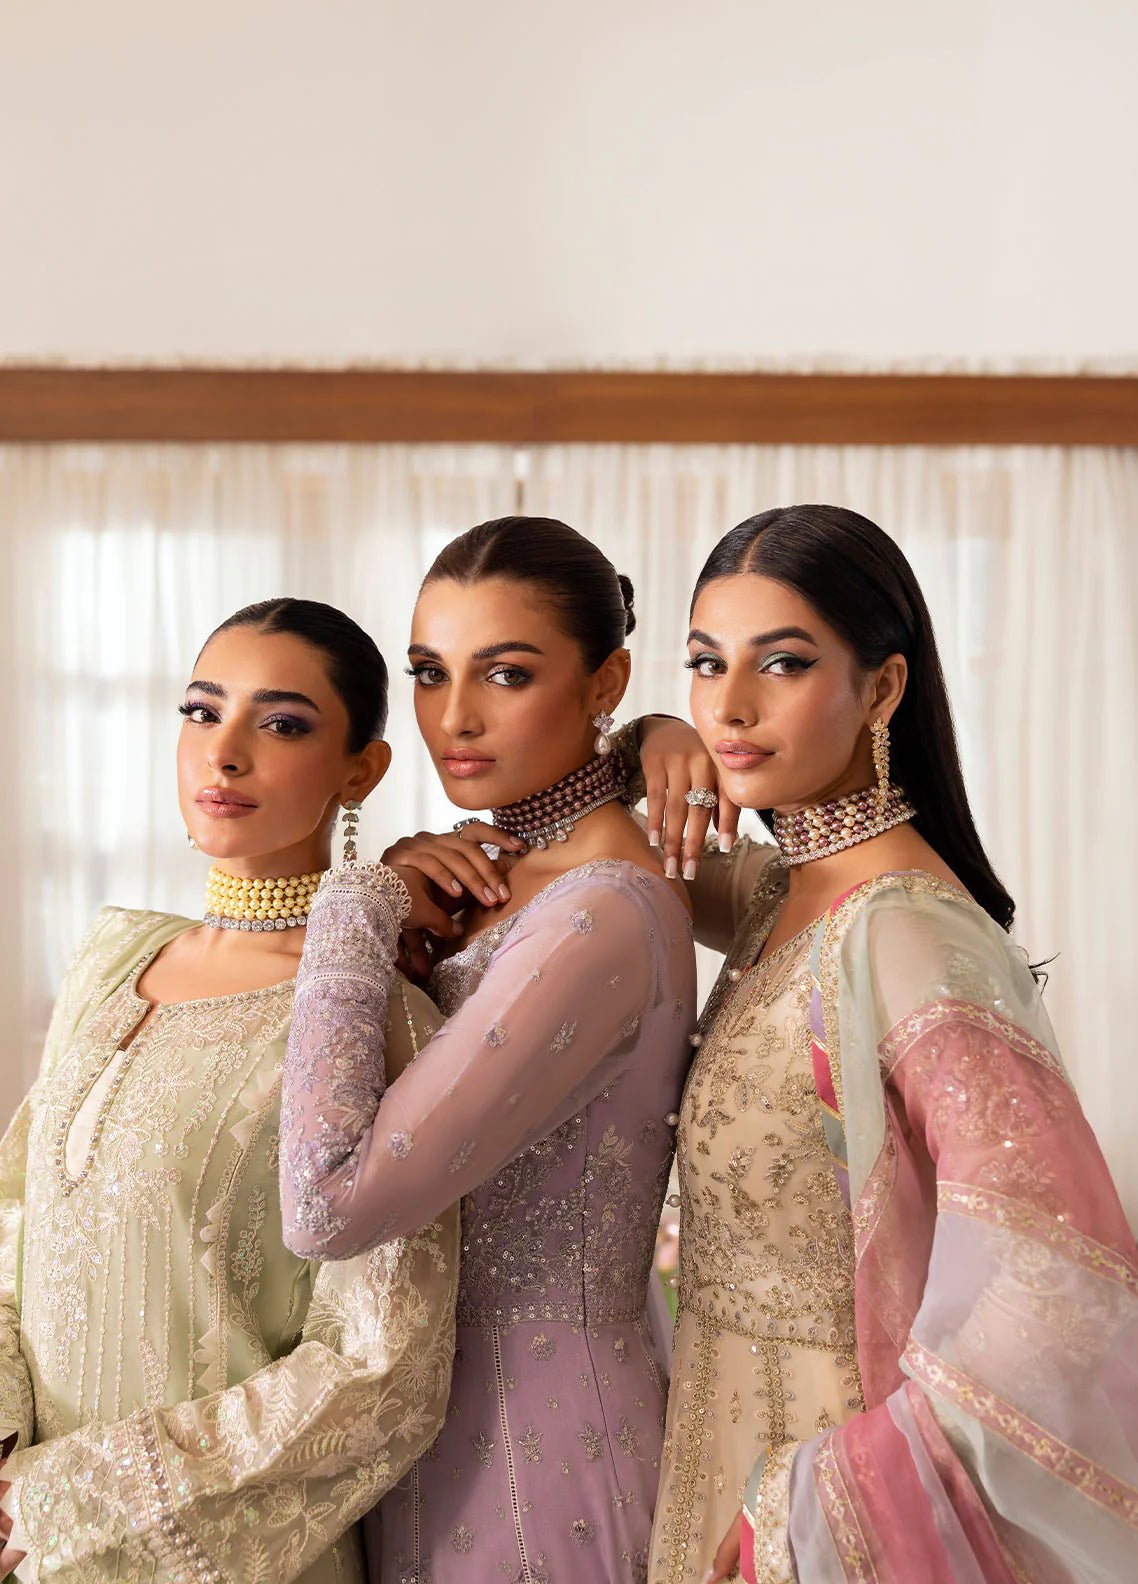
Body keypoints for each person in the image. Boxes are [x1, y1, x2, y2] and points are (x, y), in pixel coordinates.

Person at [623, 506, 1138, 1584]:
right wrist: (645, 743)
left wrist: (819, 1499)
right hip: (715, 1446)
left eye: (783, 663)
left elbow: (1055, 1283)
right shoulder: (788, 893)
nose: (729, 706)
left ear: (884, 688)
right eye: (706, 665)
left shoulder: (902, 925)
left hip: (816, 1490)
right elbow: (605, 841)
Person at [0, 599, 458, 1583]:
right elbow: (16, 1221)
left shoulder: (369, 1021)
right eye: (202, 712)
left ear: (359, 772)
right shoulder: (113, 956)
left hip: (218, 1553)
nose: (225, 753)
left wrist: (71, 1493)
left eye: (282, 723)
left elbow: (380, 1375)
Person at [279, 517, 698, 1584]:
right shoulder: (503, 880)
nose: (452, 718)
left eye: (504, 675)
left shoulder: (598, 912)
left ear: (605, 680)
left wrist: (354, 907)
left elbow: (328, 1205)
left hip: (541, 1462)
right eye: (428, 672)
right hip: (424, 1440)